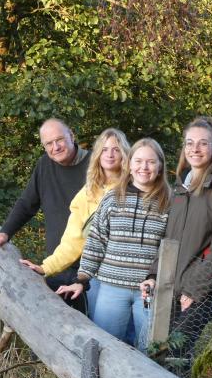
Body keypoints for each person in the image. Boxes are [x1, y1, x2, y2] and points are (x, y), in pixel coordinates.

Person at [139, 116, 212, 360]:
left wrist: (195, 289)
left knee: (173, 352)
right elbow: (169, 239)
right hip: (170, 287)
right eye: (189, 143)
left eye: (203, 143)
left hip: (203, 291)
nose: (195, 149)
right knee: (163, 353)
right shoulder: (180, 189)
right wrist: (153, 275)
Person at [56, 138, 171, 351]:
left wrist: (155, 278)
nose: (143, 167)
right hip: (111, 289)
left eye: (150, 162)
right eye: (138, 161)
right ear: (129, 164)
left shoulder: (169, 203)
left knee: (152, 350)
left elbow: (170, 248)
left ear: (160, 166)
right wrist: (82, 279)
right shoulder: (113, 198)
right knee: (106, 348)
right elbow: (96, 241)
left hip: (148, 292)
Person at [0, 118, 91, 309]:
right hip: (57, 264)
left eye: (60, 140)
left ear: (72, 136)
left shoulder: (95, 167)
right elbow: (27, 203)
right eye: (49, 143)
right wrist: (4, 232)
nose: (55, 147)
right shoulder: (45, 165)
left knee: (97, 328)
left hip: (93, 267)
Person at [19, 128, 129, 313]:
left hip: (134, 277)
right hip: (99, 277)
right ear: (97, 154)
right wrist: (45, 267)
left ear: (124, 154)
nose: (110, 154)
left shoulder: (134, 187)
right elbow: (73, 240)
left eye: (116, 149)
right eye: (104, 149)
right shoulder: (87, 194)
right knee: (105, 332)